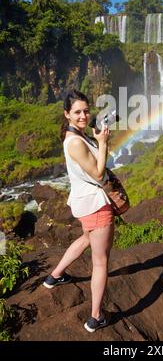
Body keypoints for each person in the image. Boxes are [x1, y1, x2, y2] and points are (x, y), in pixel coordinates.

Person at [43, 89, 114, 333]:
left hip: (85, 205)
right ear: (67, 114)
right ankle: (95, 318)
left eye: (86, 110)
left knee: (86, 238)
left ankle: (54, 276)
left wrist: (98, 142)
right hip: (96, 206)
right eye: (77, 112)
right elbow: (98, 173)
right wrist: (103, 143)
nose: (83, 115)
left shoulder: (77, 137)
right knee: (101, 262)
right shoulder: (75, 142)